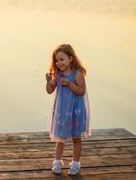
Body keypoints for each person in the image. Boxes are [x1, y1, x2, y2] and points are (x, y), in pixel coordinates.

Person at [45, 44, 91, 175]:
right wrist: (48, 81)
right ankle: (57, 161)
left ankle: (75, 164)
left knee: (76, 138)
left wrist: (70, 84)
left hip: (76, 111)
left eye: (62, 59)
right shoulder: (58, 74)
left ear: (70, 58)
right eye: (57, 61)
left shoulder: (77, 73)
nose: (59, 63)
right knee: (60, 138)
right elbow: (49, 90)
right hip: (62, 112)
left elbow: (81, 91)